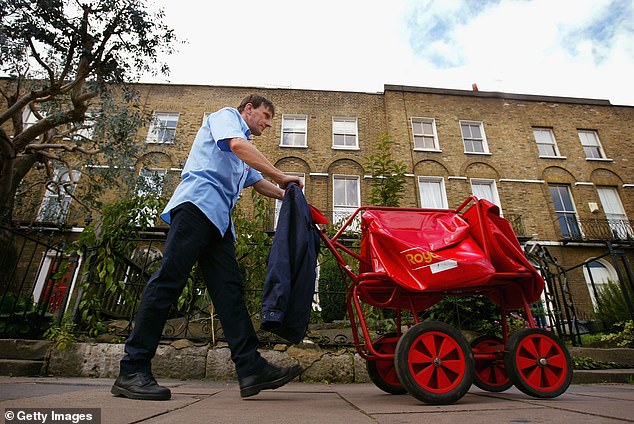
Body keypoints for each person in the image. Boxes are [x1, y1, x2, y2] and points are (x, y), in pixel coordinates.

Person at [111, 94, 303, 400]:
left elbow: (258, 182)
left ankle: (250, 367)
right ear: (248, 109)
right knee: (168, 282)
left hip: (218, 222)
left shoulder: (243, 155)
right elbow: (240, 148)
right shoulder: (226, 118)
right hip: (196, 207)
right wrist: (280, 175)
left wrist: (290, 196)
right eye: (265, 115)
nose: (268, 123)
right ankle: (132, 369)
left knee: (230, 292)